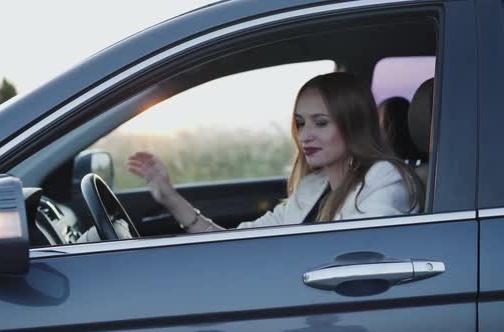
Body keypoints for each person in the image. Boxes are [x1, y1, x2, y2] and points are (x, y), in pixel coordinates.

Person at [127, 72, 424, 233]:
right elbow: (239, 243)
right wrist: (170, 198)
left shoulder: (384, 177)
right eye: (300, 123)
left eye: (320, 123)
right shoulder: (313, 186)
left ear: (353, 125)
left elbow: (367, 258)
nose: (305, 135)